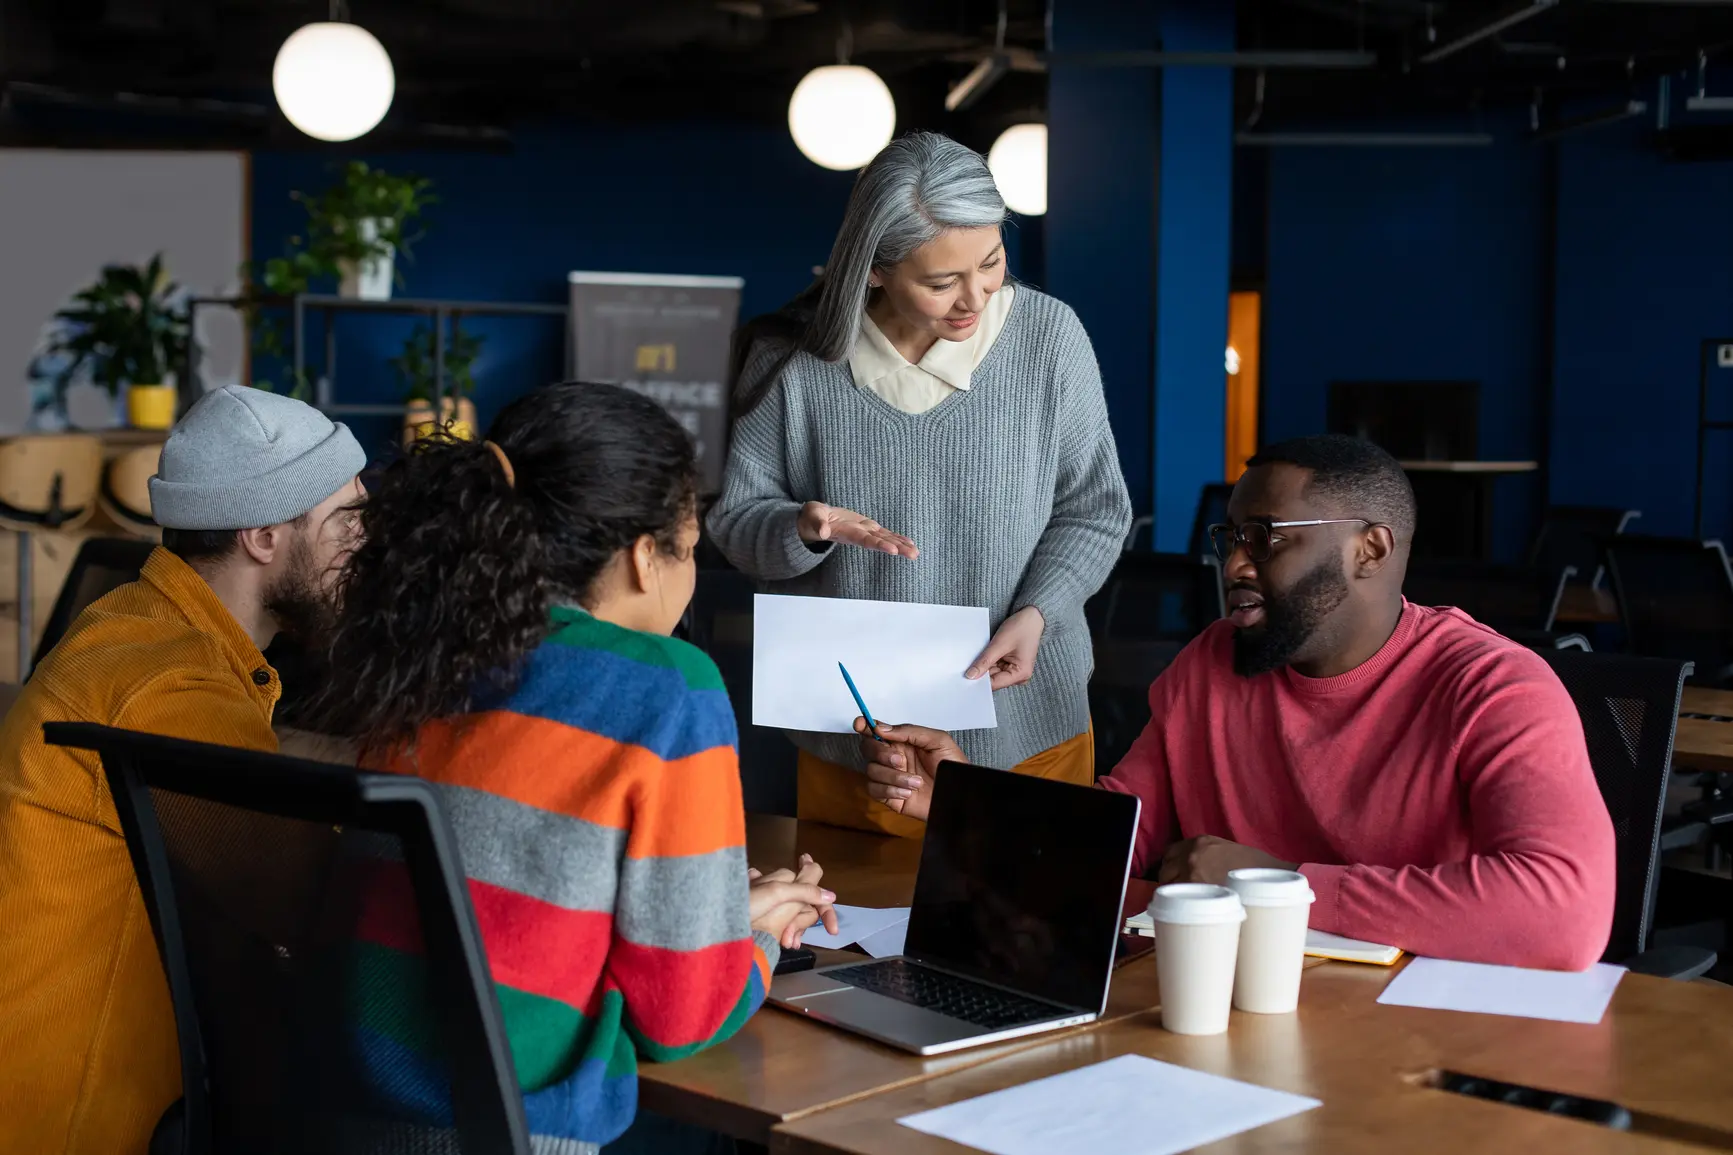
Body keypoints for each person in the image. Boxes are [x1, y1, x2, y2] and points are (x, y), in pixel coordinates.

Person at [852, 434, 1616, 971]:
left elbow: (1563, 912)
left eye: (1266, 537)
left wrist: (1273, 884)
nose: (1233, 563)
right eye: (1230, 535)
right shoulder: (1212, 662)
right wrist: (965, 804)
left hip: (1417, 1033)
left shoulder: (1493, 687)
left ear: (1370, 549)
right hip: (1239, 1008)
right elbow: (1123, 826)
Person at [308, 382, 838, 1155]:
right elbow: (680, 1020)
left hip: (343, 1109)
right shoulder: (666, 683)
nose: (689, 577)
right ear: (641, 557)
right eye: (688, 551)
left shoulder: (430, 643)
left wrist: (722, 917)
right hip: (517, 1130)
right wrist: (752, 947)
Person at [708, 131, 1132, 836]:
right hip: (858, 745)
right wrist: (802, 527)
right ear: (872, 270)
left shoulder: (1049, 338)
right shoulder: (790, 361)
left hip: (1027, 729)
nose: (975, 297)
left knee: (1024, 934)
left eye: (991, 261)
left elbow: (1093, 510)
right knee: (856, 936)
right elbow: (738, 529)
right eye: (940, 282)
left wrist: (1040, 611)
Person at [0, 385, 367, 1155]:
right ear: (264, 534)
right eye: (346, 520)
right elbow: (322, 905)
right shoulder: (172, 684)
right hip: (64, 1127)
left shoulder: (135, 628)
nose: (362, 546)